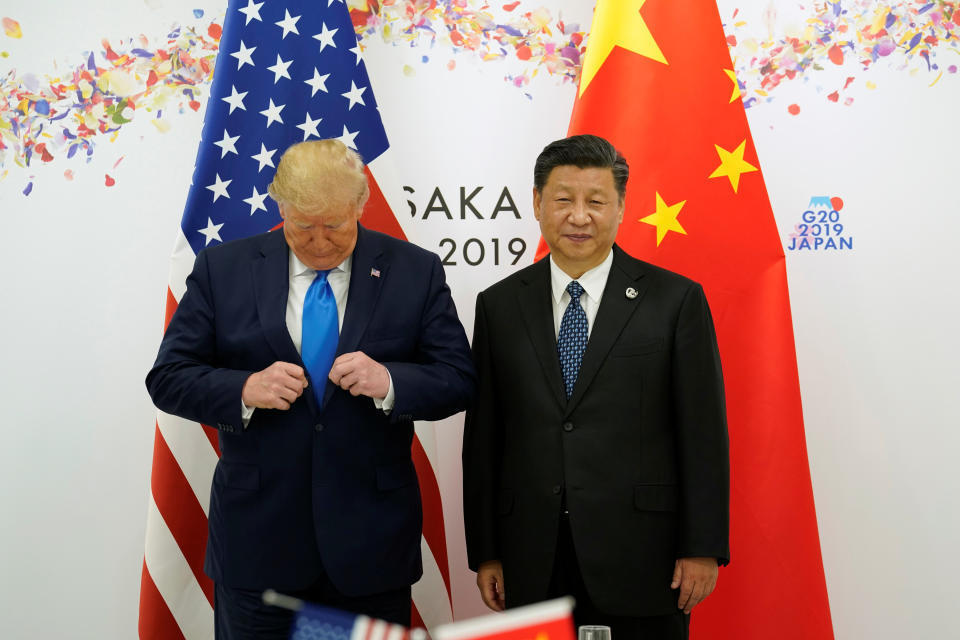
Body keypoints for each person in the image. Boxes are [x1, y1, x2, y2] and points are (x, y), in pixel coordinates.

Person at [147, 139, 476, 639]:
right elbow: (168, 378)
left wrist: (390, 380)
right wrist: (245, 388)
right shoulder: (224, 269)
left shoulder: (414, 270)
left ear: (361, 206)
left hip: (370, 553)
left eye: (336, 227)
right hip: (258, 549)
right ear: (281, 208)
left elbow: (459, 379)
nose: (320, 242)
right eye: (303, 227)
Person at [462, 134, 729, 638]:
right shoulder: (498, 306)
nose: (579, 216)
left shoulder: (675, 300)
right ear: (538, 203)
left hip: (645, 555)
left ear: (622, 207)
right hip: (533, 554)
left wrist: (702, 546)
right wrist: (488, 551)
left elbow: (703, 433)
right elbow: (484, 439)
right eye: (563, 199)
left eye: (596, 201)